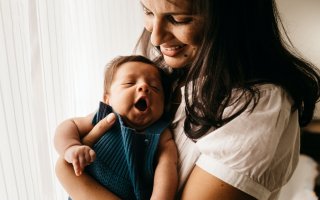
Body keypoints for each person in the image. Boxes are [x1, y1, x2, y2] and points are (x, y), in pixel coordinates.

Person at [55, 0, 320, 199]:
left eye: (179, 19)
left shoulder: (258, 108)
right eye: (148, 11)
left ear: (232, 19)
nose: (155, 37)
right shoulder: (169, 73)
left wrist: (69, 176)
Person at [54, 55, 178, 200]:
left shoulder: (161, 134)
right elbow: (69, 125)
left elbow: (167, 168)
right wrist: (71, 147)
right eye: (129, 83)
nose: (144, 87)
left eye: (155, 87)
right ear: (108, 99)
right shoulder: (104, 117)